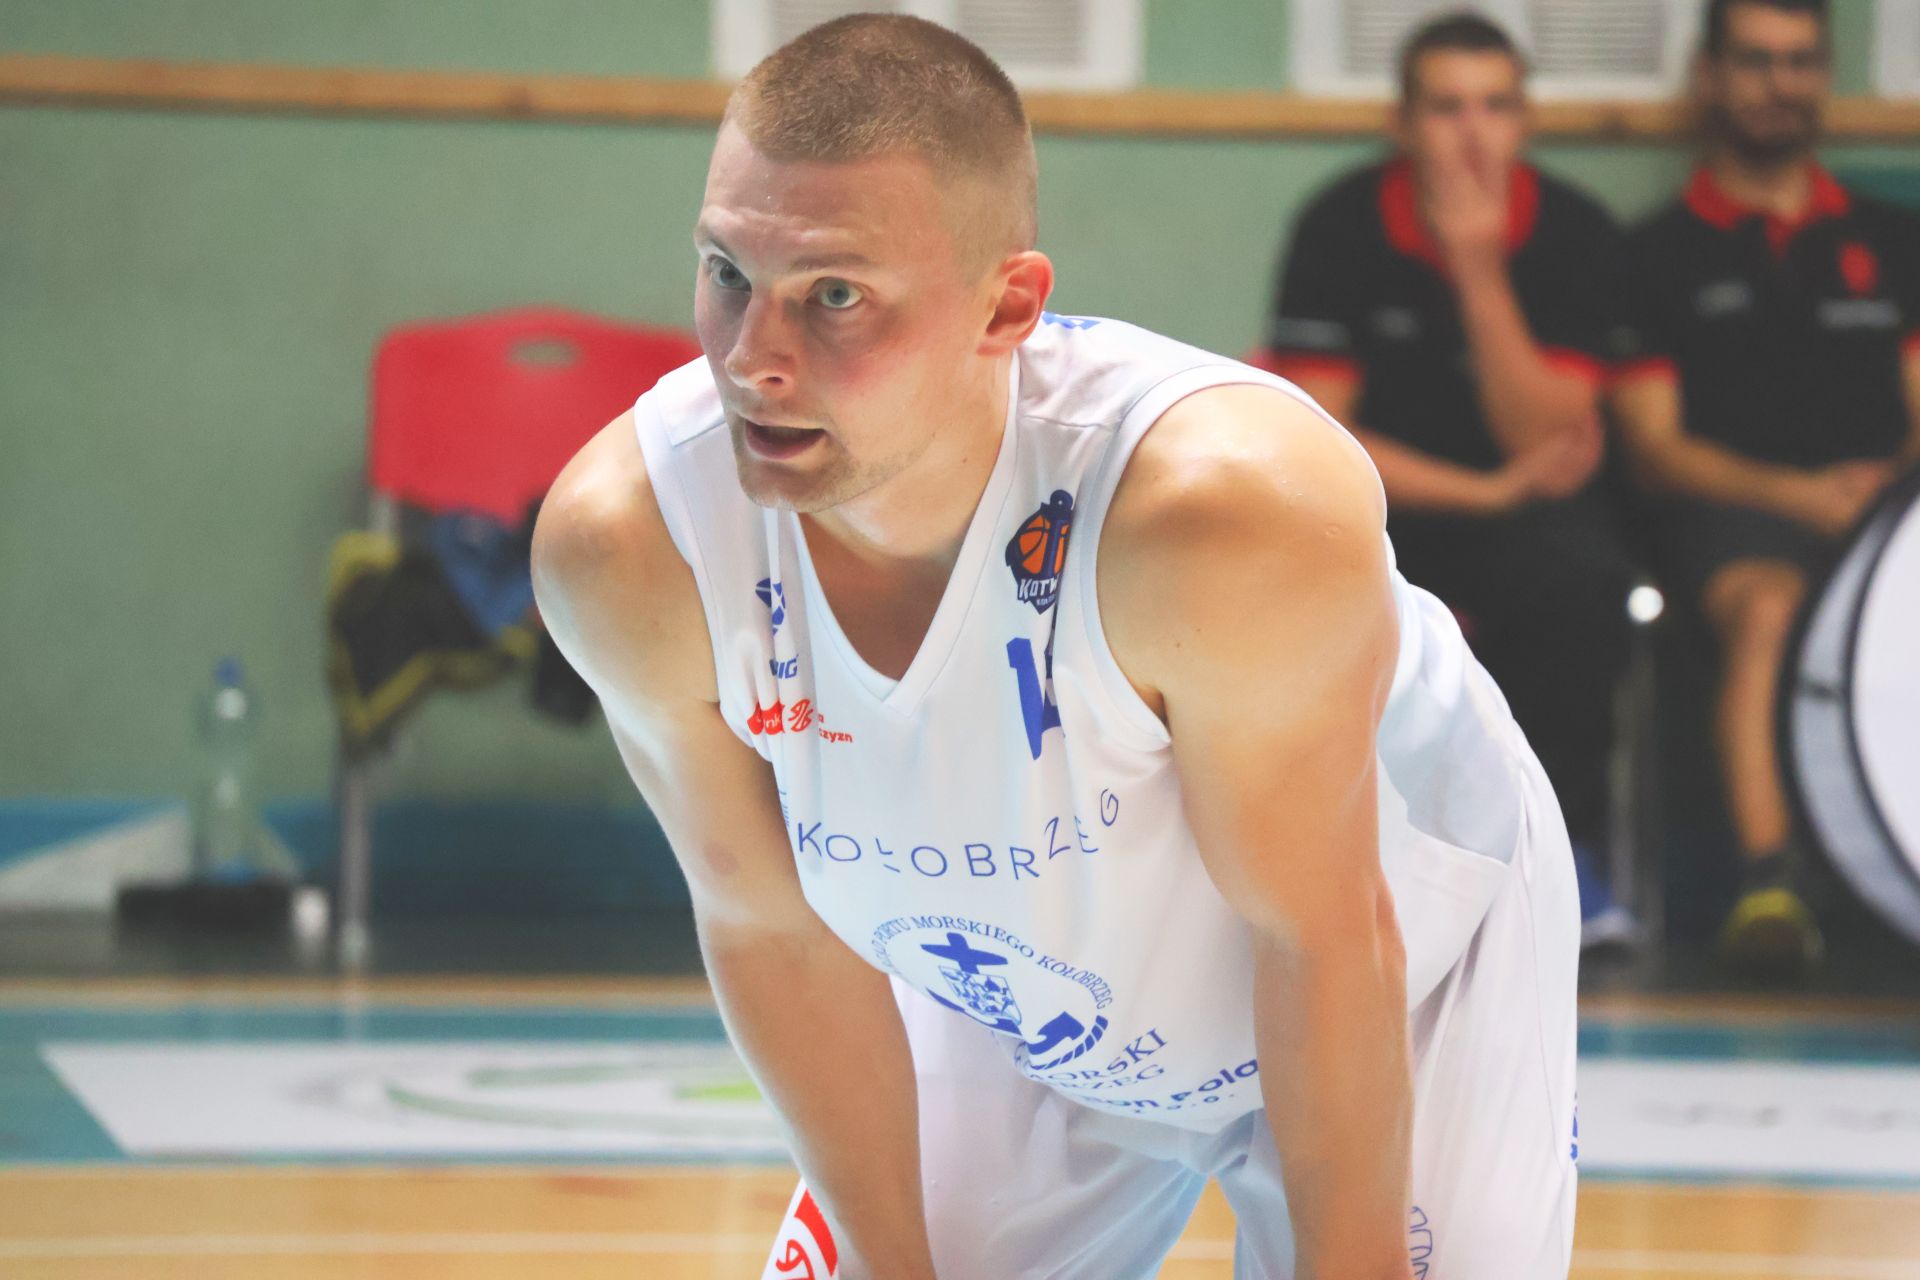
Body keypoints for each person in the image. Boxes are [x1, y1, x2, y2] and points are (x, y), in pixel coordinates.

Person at [533, 15, 1578, 1278]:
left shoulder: (1227, 517)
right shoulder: (632, 547)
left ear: (1008, 305)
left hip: (1395, 975)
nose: (755, 359)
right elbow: (772, 932)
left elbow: (1323, 937)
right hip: (1026, 995)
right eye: (726, 272)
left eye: (835, 296)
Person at [1254, 11, 1639, 951]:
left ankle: (1561, 857)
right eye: (1446, 108)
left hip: (1537, 518)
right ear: (1402, 122)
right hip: (1378, 506)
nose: (1473, 135)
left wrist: (1477, 269)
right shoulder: (1339, 223)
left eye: (1495, 107)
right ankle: (1341, 864)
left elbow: (1547, 434)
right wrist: (1487, 493)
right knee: (1289, 574)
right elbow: (1320, 432)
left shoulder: (1576, 230)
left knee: (1584, 583)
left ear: (1526, 121)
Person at [1612, 0, 1920, 980]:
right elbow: (1656, 448)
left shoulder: (1896, 238)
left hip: (1889, 518)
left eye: (1800, 62)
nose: (1779, 84)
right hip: (1731, 521)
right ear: (1709, 76)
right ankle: (1769, 883)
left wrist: (1887, 489)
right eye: (1755, 61)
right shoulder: (1652, 253)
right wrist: (1800, 495)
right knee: (1771, 611)